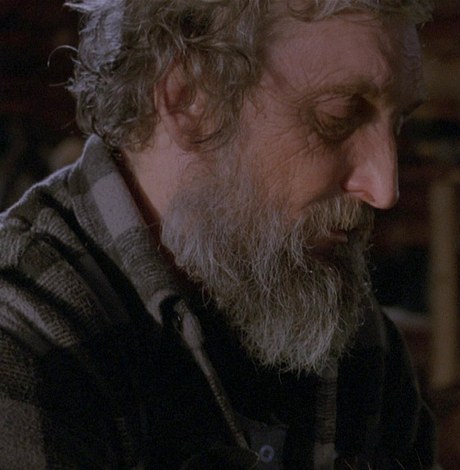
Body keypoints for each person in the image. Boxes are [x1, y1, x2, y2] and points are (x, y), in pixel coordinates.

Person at [0, 0, 437, 468]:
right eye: (338, 116)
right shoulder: (22, 340)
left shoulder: (352, 334)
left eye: (398, 123)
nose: (384, 188)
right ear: (188, 99)